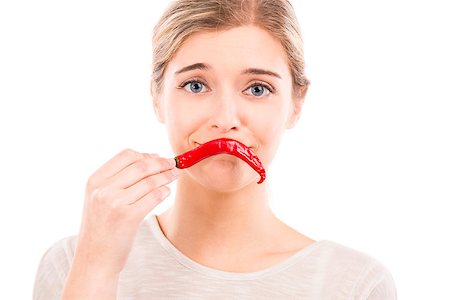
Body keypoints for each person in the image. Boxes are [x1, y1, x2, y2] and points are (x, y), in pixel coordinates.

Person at [33, 0, 397, 299]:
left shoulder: (353, 284)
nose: (225, 119)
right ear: (157, 97)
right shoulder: (71, 262)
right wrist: (97, 266)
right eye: (195, 85)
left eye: (257, 89)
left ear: (296, 104)